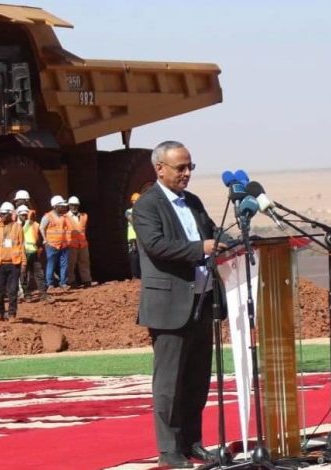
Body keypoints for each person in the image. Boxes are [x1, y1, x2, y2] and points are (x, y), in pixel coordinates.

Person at [132, 141, 225, 467]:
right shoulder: (147, 206)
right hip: (170, 306)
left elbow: (213, 234)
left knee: (197, 380)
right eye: (180, 168)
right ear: (160, 169)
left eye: (190, 167)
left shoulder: (193, 202)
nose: (187, 173)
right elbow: (157, 246)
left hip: (202, 302)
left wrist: (236, 241)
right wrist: (202, 248)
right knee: (169, 383)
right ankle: (169, 451)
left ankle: (192, 442)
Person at [0, 202, 25, 320]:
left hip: (14, 264)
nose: (2, 216)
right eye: (1, 214)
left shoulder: (17, 227)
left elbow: (21, 245)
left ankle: (11, 314)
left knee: (12, 290)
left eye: (4, 214)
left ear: (10, 214)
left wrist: (24, 262)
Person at [40, 195, 72, 291]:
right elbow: (42, 228)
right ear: (55, 206)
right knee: (51, 264)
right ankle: (50, 284)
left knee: (64, 265)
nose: (63, 207)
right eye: (61, 206)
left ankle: (63, 283)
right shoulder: (48, 216)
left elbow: (67, 229)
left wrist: (68, 241)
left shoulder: (64, 217)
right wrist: (45, 239)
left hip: (63, 245)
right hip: (52, 245)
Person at [17, 205, 46, 302]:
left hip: (33, 253)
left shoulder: (35, 225)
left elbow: (39, 239)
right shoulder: (15, 226)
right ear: (18, 215)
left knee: (39, 274)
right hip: (22, 253)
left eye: (25, 215)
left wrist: (39, 249)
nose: (24, 216)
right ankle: (27, 294)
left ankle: (43, 294)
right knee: (23, 275)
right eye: (22, 215)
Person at [66, 196, 96, 288]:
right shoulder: (65, 217)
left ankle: (87, 280)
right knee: (71, 264)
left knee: (84, 263)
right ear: (69, 206)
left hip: (83, 244)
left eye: (75, 205)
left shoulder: (84, 216)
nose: (74, 207)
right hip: (71, 244)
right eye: (72, 205)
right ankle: (71, 281)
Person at [126, 192, 141, 279]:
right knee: (134, 255)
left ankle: (141, 274)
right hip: (132, 237)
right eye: (135, 201)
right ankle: (135, 275)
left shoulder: (143, 211)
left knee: (141, 255)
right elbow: (132, 220)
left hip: (141, 236)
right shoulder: (128, 211)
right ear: (132, 202)